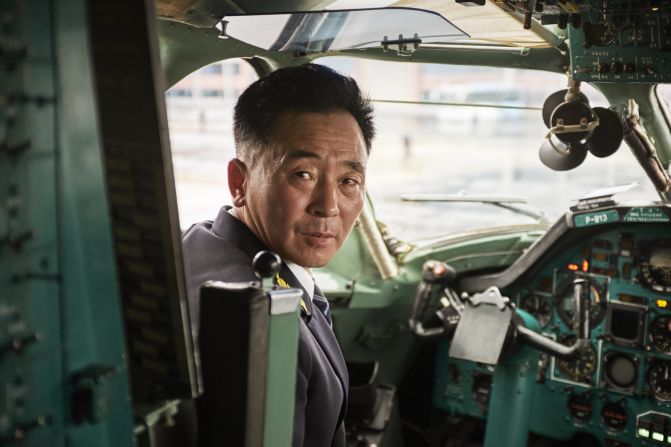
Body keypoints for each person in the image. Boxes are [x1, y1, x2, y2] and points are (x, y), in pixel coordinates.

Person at [182, 63, 375, 447]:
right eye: (302, 174)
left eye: (348, 181)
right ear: (240, 182)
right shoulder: (260, 325)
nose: (328, 206)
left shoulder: (197, 242)